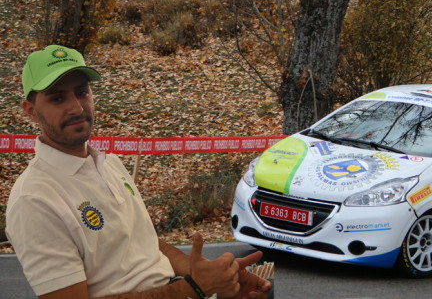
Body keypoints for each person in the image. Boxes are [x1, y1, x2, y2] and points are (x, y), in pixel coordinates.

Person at [6, 45, 272, 299]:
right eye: (57, 98)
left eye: (82, 92)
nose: (76, 107)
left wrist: (210, 275)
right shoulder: (34, 199)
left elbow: (144, 243)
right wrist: (196, 289)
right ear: (31, 111)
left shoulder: (109, 162)